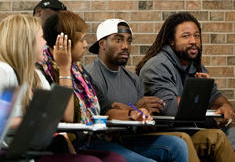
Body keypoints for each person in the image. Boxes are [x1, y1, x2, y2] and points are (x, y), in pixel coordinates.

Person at [37, 11, 188, 162]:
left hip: (101, 139)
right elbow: (67, 118)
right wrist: (64, 68)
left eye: (129, 41)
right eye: (81, 39)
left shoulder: (80, 74)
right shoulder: (44, 73)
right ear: (64, 43)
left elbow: (106, 110)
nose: (86, 44)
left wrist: (132, 114)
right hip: (78, 143)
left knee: (177, 145)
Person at [85, 18, 235, 162]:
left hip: (135, 138)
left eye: (129, 40)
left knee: (219, 136)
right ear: (102, 44)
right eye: (119, 40)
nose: (125, 46)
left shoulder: (132, 79)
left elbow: (147, 127)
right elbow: (100, 114)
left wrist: (145, 113)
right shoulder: (88, 76)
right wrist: (134, 111)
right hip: (106, 141)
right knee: (179, 141)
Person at [0, 14, 125, 162]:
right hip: (10, 150)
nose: (46, 42)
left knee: (115, 158)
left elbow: (66, 117)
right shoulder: (4, 71)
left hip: (37, 147)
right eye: (42, 37)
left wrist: (65, 67)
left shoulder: (37, 75)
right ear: (26, 42)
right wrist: (33, 122)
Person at [136, 12, 235, 152]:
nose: (193, 41)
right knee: (217, 137)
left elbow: (216, 97)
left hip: (194, 130)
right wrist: (201, 96)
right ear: (171, 41)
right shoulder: (157, 66)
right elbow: (168, 107)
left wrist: (225, 106)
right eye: (186, 36)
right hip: (170, 135)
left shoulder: (195, 65)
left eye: (196, 35)